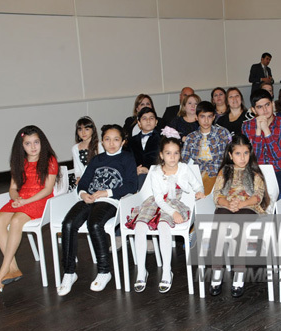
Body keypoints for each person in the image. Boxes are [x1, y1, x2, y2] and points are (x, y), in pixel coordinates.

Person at [57, 124, 137, 296]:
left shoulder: (127, 158)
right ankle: (69, 273)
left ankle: (104, 271)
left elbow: (132, 185)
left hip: (111, 200)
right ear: (102, 141)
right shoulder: (97, 159)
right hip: (90, 199)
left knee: (95, 224)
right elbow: (83, 182)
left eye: (116, 139)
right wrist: (84, 193)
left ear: (123, 142)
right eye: (107, 139)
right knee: (69, 224)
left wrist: (106, 192)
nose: (111, 143)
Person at [126, 129, 205, 294]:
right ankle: (142, 270)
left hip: (175, 203)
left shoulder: (183, 168)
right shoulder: (155, 172)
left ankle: (167, 270)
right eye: (168, 153)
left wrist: (199, 192)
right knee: (140, 226)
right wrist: (172, 212)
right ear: (161, 155)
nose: (172, 157)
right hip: (156, 202)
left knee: (163, 226)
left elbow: (197, 185)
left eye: (176, 153)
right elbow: (159, 199)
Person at [0, 125, 59, 294]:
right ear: (21, 146)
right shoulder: (19, 161)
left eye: (36, 142)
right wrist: (16, 199)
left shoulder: (50, 160)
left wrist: (26, 201)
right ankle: (13, 267)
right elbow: (13, 188)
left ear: (42, 142)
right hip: (22, 199)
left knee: (16, 221)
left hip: (40, 199)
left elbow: (48, 190)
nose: (33, 147)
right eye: (28, 143)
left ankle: (1, 272)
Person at [209, 134, 270, 298]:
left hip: (248, 207)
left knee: (239, 226)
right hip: (227, 205)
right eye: (238, 153)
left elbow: (258, 196)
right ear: (230, 155)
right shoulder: (225, 171)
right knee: (219, 223)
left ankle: (239, 273)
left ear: (250, 154)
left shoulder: (254, 173)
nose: (242, 158)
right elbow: (216, 194)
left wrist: (241, 204)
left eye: (245, 153)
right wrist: (228, 204)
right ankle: (216, 272)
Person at [242, 89, 281, 199]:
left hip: (279, 171)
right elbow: (254, 157)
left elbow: (277, 155)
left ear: (273, 104)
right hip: (255, 171)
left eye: (267, 105)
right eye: (260, 107)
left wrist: (266, 130)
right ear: (253, 110)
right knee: (244, 197)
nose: (265, 110)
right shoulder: (247, 126)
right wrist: (259, 131)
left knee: (274, 197)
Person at [182, 101, 231, 195]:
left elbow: (230, 156)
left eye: (209, 116)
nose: (206, 120)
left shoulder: (222, 133)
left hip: (219, 173)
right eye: (202, 116)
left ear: (214, 117)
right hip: (198, 175)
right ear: (196, 117)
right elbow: (183, 160)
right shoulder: (191, 137)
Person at [126, 107, 161, 189]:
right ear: (139, 123)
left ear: (156, 122)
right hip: (136, 174)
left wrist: (149, 170)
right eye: (144, 118)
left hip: (156, 174)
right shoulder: (131, 141)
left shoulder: (163, 139)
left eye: (151, 118)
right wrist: (135, 170)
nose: (148, 121)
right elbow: (128, 159)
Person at [72, 116, 104, 186]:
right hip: (84, 179)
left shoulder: (99, 145)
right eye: (80, 130)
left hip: (99, 178)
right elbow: (77, 168)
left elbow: (103, 165)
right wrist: (78, 177)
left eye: (87, 129)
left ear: (93, 130)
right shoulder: (75, 148)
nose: (83, 133)